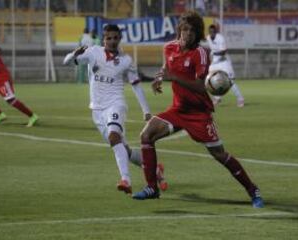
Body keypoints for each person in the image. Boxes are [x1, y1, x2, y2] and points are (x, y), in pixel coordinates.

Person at [132, 11, 264, 208]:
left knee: (220, 155)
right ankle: (152, 187)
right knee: (146, 135)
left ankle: (253, 190)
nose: (188, 34)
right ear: (179, 30)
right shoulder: (169, 48)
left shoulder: (201, 53)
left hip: (199, 114)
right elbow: (167, 67)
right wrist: (160, 78)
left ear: (198, 33)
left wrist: (174, 78)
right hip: (178, 110)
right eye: (184, 29)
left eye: (192, 31)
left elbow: (201, 86)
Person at [63, 24, 168, 195]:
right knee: (122, 149)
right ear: (103, 39)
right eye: (108, 38)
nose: (112, 41)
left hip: (116, 104)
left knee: (114, 137)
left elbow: (136, 86)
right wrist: (74, 54)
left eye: (115, 38)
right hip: (97, 110)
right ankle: (155, 170)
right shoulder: (92, 52)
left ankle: (125, 180)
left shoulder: (126, 60)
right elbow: (66, 61)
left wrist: (146, 110)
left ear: (119, 38)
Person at [203, 23, 245, 107]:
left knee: (230, 81)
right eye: (210, 32)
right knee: (210, 80)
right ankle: (217, 98)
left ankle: (240, 99)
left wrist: (213, 53)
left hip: (224, 62)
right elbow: (204, 42)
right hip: (214, 63)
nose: (212, 33)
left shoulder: (220, 38)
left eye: (213, 32)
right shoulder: (208, 38)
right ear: (209, 32)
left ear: (216, 32)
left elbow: (224, 51)